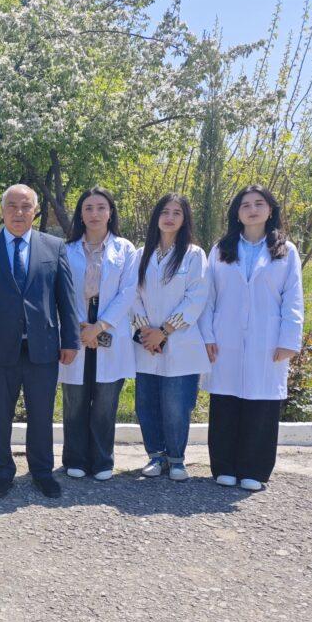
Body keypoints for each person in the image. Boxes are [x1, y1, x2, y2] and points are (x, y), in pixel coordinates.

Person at [0, 184, 80, 499]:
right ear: (2, 211)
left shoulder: (54, 247)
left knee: (41, 415)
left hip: (43, 348)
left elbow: (66, 299)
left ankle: (42, 472)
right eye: (12, 206)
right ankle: (2, 473)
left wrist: (70, 340)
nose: (18, 212)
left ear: (35, 211)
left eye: (26, 206)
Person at [199, 185, 304, 492]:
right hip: (225, 336)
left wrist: (288, 339)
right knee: (225, 401)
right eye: (245, 205)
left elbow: (293, 298)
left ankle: (254, 470)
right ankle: (224, 466)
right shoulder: (222, 248)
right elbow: (208, 296)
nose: (252, 209)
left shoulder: (286, 250)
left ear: (270, 210)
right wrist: (207, 335)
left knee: (262, 404)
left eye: (259, 204)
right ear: (237, 213)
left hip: (267, 339)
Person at [59, 187, 138, 481]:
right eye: (88, 208)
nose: (95, 213)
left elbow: (128, 291)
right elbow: (62, 291)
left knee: (106, 400)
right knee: (75, 399)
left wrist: (99, 326)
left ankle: (103, 460)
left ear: (110, 212)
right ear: (80, 214)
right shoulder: (66, 249)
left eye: (101, 207)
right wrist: (81, 326)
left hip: (109, 326)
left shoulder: (125, 249)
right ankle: (75, 458)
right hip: (77, 326)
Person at [131, 193, 210, 482]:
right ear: (156, 217)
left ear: (184, 219)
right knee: (147, 403)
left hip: (180, 341)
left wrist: (163, 332)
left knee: (177, 406)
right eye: (165, 211)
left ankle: (176, 459)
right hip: (147, 344)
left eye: (177, 212)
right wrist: (146, 332)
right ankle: (155, 456)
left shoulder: (194, 255)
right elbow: (132, 294)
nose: (170, 217)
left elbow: (196, 297)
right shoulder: (141, 254)